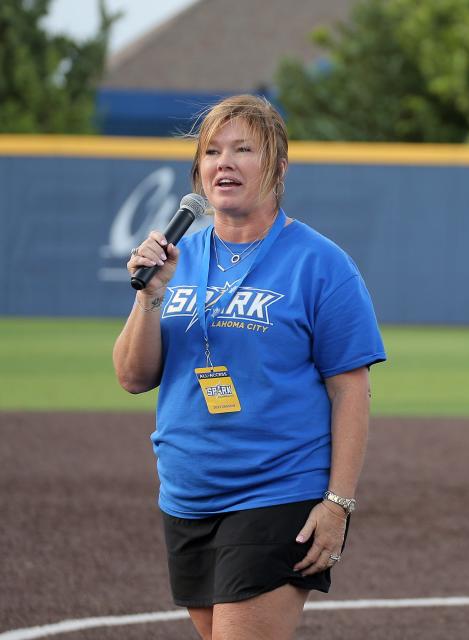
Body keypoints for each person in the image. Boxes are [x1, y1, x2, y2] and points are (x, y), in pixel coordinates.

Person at [113, 94, 386, 640]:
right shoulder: (177, 258)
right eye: (212, 151)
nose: (224, 163)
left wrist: (337, 504)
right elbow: (133, 377)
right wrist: (149, 298)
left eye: (244, 149)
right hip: (187, 491)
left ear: (278, 167)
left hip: (277, 491)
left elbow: (351, 391)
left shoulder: (320, 263)